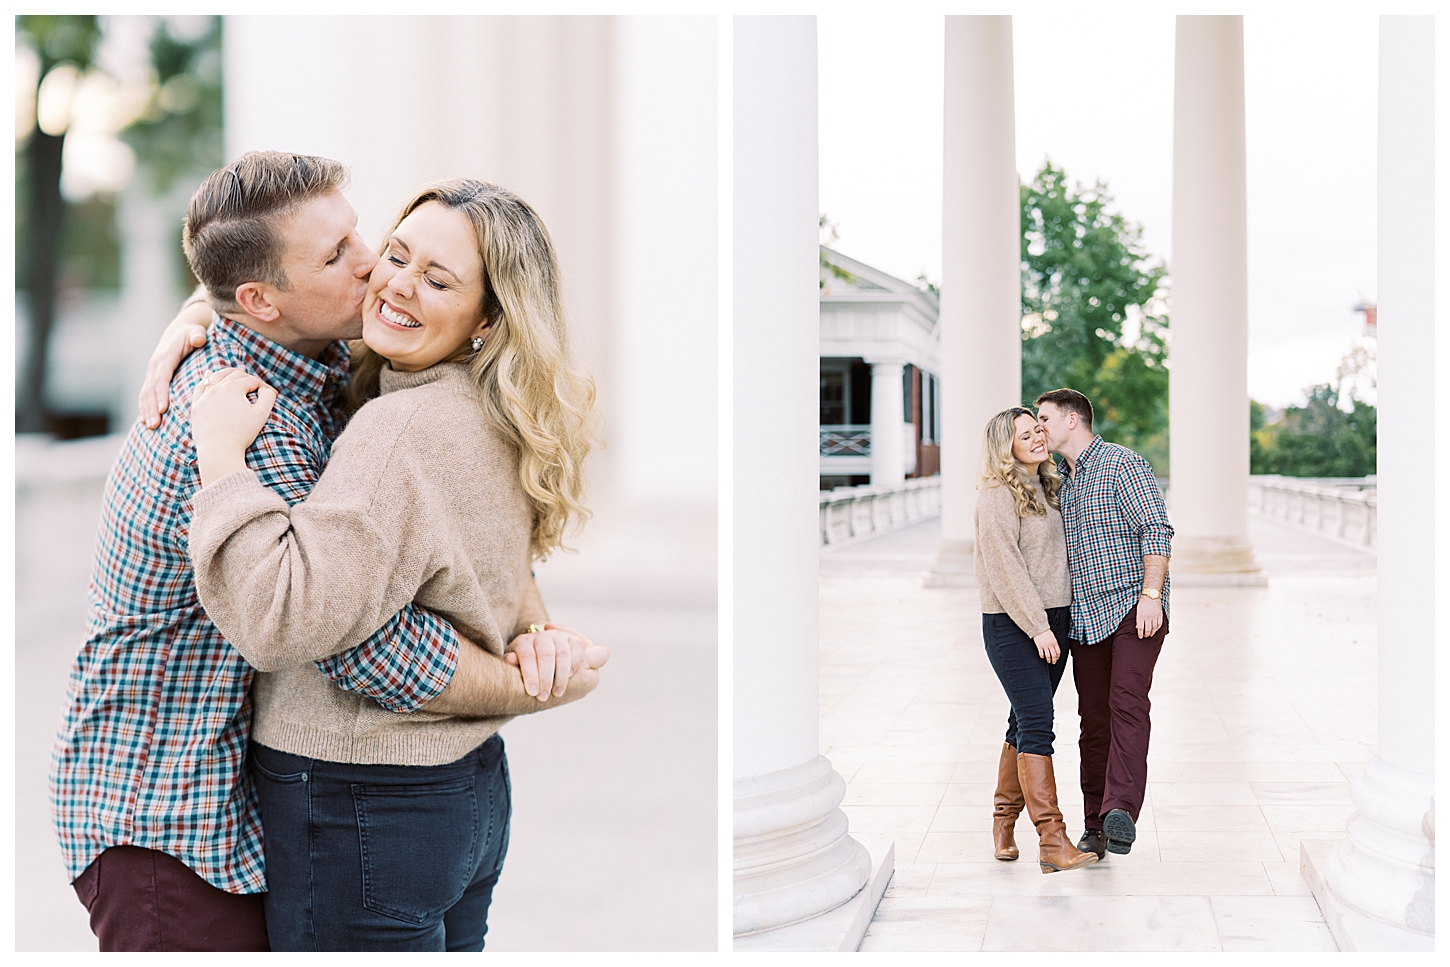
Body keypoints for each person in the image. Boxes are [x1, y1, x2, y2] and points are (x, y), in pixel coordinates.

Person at [49, 152, 603, 953]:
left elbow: (443, 543)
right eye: (340, 254)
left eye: (360, 235)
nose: (375, 266)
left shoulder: (332, 369)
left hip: (237, 810)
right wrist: (527, 681)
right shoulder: (247, 421)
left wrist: (531, 626)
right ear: (262, 301)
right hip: (162, 818)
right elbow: (356, 642)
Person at [1034, 388, 1172, 859]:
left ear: (1073, 420)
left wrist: (1151, 597)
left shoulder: (1121, 464)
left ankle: (1121, 811)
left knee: (1126, 701)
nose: (1039, 427)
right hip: (1087, 618)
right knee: (1092, 721)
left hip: (1135, 609)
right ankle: (1096, 826)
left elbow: (1157, 530)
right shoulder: (1062, 482)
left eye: (1045, 418)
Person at [974, 407, 1098, 874]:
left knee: (1021, 721)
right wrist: (1038, 628)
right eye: (1024, 435)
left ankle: (1003, 823)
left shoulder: (1050, 487)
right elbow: (1005, 569)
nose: (1036, 438)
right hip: (1014, 624)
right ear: (1005, 446)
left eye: (1037, 430)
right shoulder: (995, 496)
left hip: (1057, 619)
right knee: (1038, 722)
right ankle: (1052, 839)